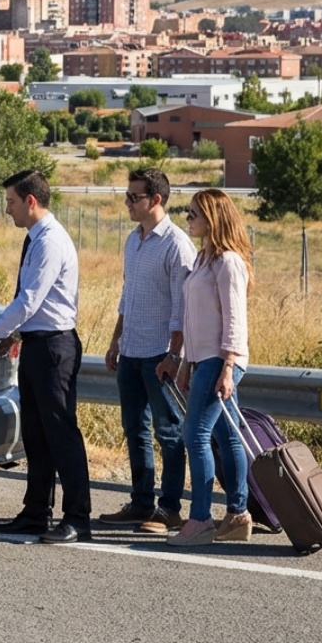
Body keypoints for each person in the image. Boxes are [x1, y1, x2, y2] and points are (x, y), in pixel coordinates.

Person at [0, 169, 90, 544]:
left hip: (53, 348)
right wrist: (14, 335)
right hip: (37, 344)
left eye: (12, 202)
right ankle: (36, 513)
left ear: (30, 201)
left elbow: (30, 300)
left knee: (61, 435)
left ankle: (78, 518)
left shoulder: (49, 241)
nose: (8, 210)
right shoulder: (37, 238)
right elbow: (34, 304)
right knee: (36, 436)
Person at [97, 168, 196, 534]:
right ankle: (141, 503)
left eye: (133, 197)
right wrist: (115, 341)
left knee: (168, 432)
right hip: (132, 350)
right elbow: (128, 296)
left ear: (156, 200)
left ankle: (170, 509)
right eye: (127, 196)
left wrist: (174, 355)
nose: (127, 203)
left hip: (160, 355)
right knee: (134, 429)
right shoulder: (132, 240)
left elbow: (183, 308)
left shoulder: (176, 244)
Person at [156, 188, 254, 546]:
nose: (189, 219)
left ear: (214, 218)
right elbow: (195, 319)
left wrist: (227, 367)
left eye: (195, 214)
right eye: (189, 213)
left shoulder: (228, 262)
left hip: (221, 359)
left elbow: (234, 321)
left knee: (194, 434)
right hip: (204, 360)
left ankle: (200, 520)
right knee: (226, 437)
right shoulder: (203, 260)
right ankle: (237, 514)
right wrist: (184, 362)